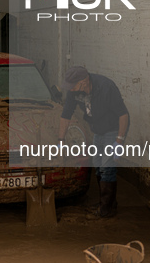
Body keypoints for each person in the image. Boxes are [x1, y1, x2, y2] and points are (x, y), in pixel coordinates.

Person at [58, 66, 129, 218]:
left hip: (113, 129)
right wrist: (61, 140)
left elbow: (123, 115)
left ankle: (106, 210)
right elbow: (66, 115)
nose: (70, 90)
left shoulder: (106, 87)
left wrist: (119, 140)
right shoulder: (74, 92)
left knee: (106, 167)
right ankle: (108, 203)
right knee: (97, 164)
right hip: (98, 129)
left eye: (72, 86)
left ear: (84, 82)